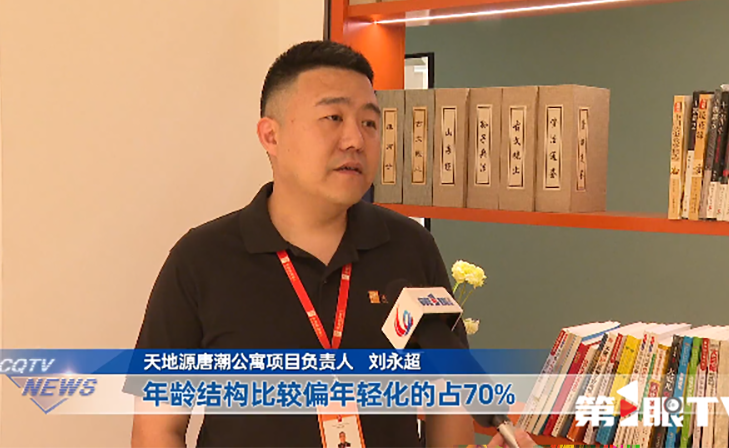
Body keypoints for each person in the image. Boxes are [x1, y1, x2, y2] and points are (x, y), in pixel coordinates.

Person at [126, 40, 537, 448]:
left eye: (369, 123)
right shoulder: (201, 260)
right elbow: (158, 432)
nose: (355, 139)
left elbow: (447, 402)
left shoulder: (411, 246)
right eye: (333, 117)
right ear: (271, 135)